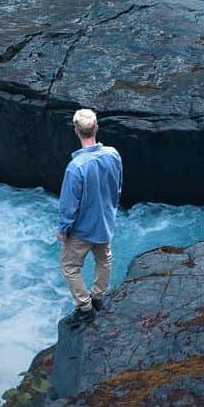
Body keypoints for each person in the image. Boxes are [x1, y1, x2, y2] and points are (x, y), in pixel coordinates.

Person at [56, 108, 123, 327]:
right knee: (104, 259)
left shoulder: (75, 167)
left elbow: (69, 204)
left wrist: (63, 229)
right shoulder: (113, 154)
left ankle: (85, 307)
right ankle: (98, 298)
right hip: (105, 221)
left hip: (82, 229)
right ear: (96, 127)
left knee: (70, 267)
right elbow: (117, 185)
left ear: (76, 131)